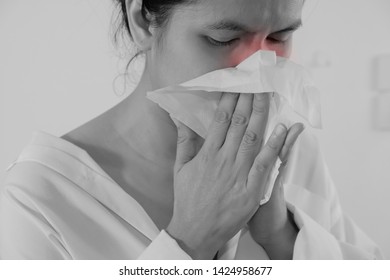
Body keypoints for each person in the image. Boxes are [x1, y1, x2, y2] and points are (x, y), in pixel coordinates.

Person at [0, 0, 382, 260]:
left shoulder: (292, 153)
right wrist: (189, 241)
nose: (259, 67)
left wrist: (282, 234)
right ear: (142, 21)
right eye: (224, 39)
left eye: (279, 37)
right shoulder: (36, 201)